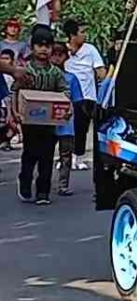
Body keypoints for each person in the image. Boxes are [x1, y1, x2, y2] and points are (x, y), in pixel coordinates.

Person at [12, 26, 70, 205]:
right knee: (30, 154)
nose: (44, 49)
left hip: (49, 121)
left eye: (47, 45)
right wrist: (15, 112)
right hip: (29, 121)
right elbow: (15, 92)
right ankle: (25, 182)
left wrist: (68, 110)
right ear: (32, 47)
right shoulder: (25, 70)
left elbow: (65, 93)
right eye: (39, 45)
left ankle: (43, 192)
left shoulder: (56, 73)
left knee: (46, 156)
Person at [63, 18, 106, 170]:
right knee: (65, 128)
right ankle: (64, 158)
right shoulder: (62, 50)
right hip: (67, 95)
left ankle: (78, 157)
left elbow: (100, 71)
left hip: (87, 96)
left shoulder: (90, 49)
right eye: (82, 32)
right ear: (72, 35)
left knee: (81, 127)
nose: (85, 35)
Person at [51, 42, 84, 196]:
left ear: (66, 57)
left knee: (66, 155)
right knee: (44, 155)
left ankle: (63, 185)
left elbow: (78, 101)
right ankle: (42, 184)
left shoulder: (71, 78)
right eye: (54, 54)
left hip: (66, 123)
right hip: (47, 122)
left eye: (60, 55)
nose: (57, 58)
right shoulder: (45, 77)